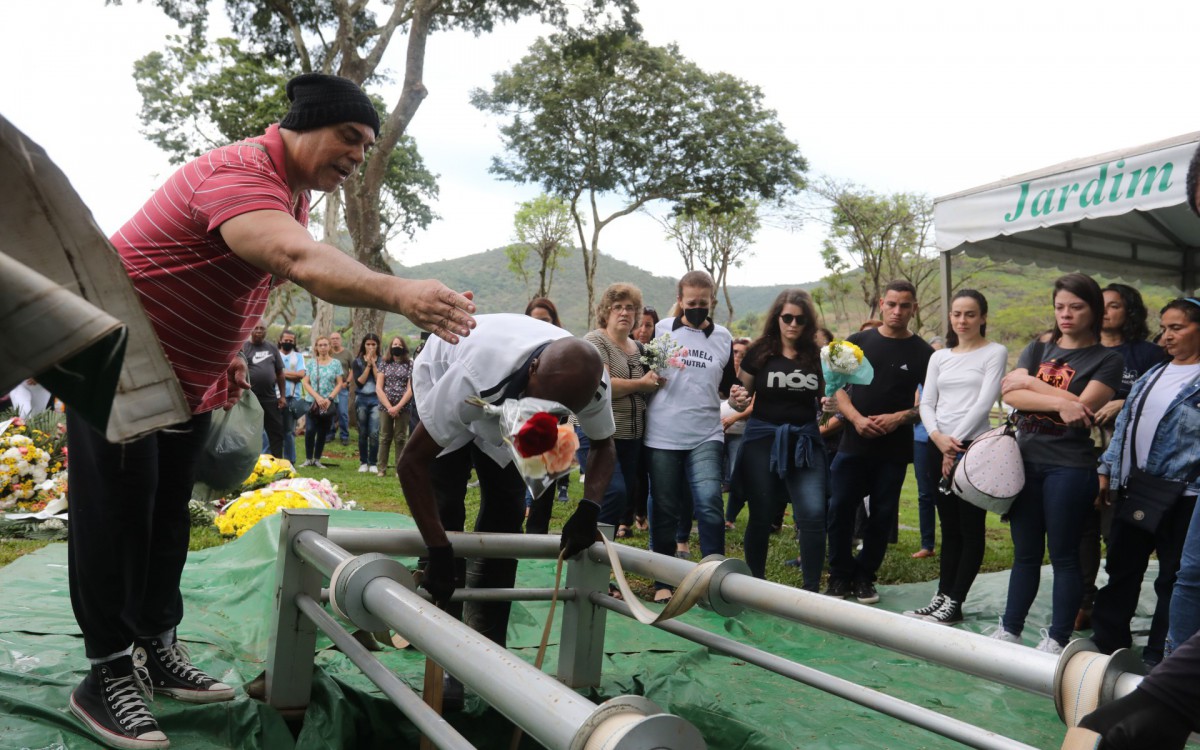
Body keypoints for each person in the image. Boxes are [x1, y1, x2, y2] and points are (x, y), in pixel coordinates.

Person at [65, 72, 476, 749]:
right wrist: (400, 292)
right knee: (115, 519)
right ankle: (105, 673)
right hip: (122, 363)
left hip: (184, 377)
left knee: (165, 515)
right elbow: (292, 258)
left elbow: (244, 273)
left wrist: (226, 352)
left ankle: (155, 643)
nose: (357, 154)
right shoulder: (239, 171)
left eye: (367, 145)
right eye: (349, 137)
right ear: (303, 125)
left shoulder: (292, 191)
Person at [398, 314, 616, 649]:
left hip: (510, 391)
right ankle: (439, 618)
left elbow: (603, 443)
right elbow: (411, 463)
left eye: (555, 413)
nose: (540, 416)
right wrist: (437, 548)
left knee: (508, 510)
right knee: (446, 503)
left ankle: (486, 635)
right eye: (538, 407)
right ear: (533, 370)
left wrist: (589, 507)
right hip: (448, 375)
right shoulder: (471, 374)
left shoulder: (594, 383)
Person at [993, 273, 1122, 654]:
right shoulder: (1036, 349)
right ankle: (1010, 629)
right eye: (1060, 307)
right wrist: (1061, 401)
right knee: (1025, 553)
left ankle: (1056, 638)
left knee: (1065, 556)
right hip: (1024, 463)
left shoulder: (1107, 359)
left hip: (1069, 467)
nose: (1066, 314)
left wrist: (1039, 389)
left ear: (1093, 310)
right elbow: (1011, 394)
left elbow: (1084, 408)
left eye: (1076, 307)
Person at [1091, 298, 1200, 666]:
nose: (1166, 336)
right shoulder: (1154, 372)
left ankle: (1161, 658)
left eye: (1177, 328)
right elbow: (1124, 426)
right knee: (1121, 568)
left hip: (1183, 496)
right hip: (1136, 488)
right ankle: (1107, 644)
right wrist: (1108, 467)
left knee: (1173, 578)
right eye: (1164, 327)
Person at [826, 280, 933, 605]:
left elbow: (930, 403)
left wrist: (899, 418)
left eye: (905, 305)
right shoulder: (857, 341)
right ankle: (840, 575)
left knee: (882, 515)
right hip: (852, 444)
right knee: (839, 508)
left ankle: (865, 577)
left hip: (894, 448)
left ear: (914, 308)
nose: (897, 311)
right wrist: (856, 418)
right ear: (881, 304)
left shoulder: (924, 352)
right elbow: (835, 387)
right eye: (892, 304)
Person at [905, 290, 1007, 624]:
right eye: (956, 314)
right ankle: (942, 596)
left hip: (973, 448)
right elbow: (928, 402)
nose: (962, 320)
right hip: (939, 446)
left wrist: (955, 443)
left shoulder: (995, 352)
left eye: (970, 314)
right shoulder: (939, 357)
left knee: (970, 528)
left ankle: (956, 601)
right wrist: (938, 439)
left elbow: (984, 402)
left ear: (983, 317)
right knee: (948, 528)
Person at [1076, 283, 1169, 630]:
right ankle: (1085, 599)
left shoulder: (1147, 355)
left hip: (1125, 461)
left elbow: (1161, 402)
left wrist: (1122, 400)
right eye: (1101, 305)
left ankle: (1114, 608)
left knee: (1114, 532)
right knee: (1080, 528)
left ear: (1130, 312)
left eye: (1114, 306)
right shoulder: (1084, 350)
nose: (1107, 312)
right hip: (1079, 453)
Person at [643, 271, 737, 602]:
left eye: (703, 303)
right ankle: (663, 580)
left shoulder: (724, 337)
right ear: (680, 300)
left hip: (706, 432)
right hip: (663, 433)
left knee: (710, 501)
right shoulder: (662, 331)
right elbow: (645, 375)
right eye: (690, 302)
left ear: (712, 300)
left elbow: (728, 387)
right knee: (665, 505)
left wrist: (735, 399)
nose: (697, 308)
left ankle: (714, 579)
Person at [728, 290, 826, 589]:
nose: (793, 324)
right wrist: (737, 400)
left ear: (808, 322)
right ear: (777, 318)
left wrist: (830, 405)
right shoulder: (759, 351)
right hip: (762, 440)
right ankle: (756, 585)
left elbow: (826, 397)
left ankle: (811, 590)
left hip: (805, 442)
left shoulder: (817, 356)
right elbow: (739, 399)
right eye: (787, 318)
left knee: (812, 513)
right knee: (761, 514)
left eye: (800, 319)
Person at [584, 284, 661, 539]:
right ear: (606, 312)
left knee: (619, 498)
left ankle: (597, 563)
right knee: (611, 492)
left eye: (630, 308)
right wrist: (643, 384)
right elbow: (602, 384)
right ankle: (585, 551)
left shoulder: (639, 349)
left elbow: (653, 382)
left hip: (631, 436)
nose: (624, 312)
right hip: (599, 435)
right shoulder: (596, 340)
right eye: (617, 307)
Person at [622, 304, 660, 533]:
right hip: (629, 421)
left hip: (654, 421)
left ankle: (642, 514)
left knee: (647, 473)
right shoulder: (624, 352)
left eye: (649, 325)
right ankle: (625, 520)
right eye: (640, 324)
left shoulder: (657, 356)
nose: (643, 330)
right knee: (632, 473)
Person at [910, 335, 946, 559]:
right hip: (921, 440)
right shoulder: (919, 380)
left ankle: (952, 540)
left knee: (948, 492)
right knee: (925, 493)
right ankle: (927, 545)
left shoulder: (951, 380)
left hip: (947, 440)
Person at [243, 321, 288, 458]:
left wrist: (283, 396)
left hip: (270, 398)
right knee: (249, 432)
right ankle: (248, 461)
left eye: (262, 328)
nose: (258, 331)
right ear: (250, 330)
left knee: (276, 431)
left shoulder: (272, 348)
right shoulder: (244, 347)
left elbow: (280, 373)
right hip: (250, 398)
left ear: (266, 331)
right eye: (255, 328)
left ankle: (278, 461)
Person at [300, 336, 345, 469]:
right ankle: (308, 458)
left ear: (329, 347)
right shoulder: (312, 363)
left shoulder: (336, 363)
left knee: (322, 431)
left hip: (328, 403)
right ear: (316, 348)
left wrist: (329, 398)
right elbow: (305, 382)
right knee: (310, 430)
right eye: (320, 345)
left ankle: (317, 458)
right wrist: (317, 397)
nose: (323, 347)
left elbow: (339, 383)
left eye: (326, 345)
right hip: (313, 402)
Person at [722, 337, 753, 529]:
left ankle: (729, 518)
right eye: (735, 352)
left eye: (743, 354)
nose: (738, 356)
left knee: (736, 474)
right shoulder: (722, 372)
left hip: (740, 432)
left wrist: (733, 418)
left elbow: (755, 403)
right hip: (715, 431)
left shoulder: (750, 376)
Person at [376, 336, 413, 477]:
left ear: (403, 347)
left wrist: (398, 407)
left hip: (403, 406)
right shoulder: (384, 363)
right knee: (385, 437)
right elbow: (379, 388)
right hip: (385, 406)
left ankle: (400, 468)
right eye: (394, 344)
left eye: (399, 344)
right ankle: (382, 468)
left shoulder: (410, 364)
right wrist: (389, 407)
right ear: (390, 347)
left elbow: (410, 388)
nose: (396, 346)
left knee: (401, 437)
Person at [351, 333, 383, 473]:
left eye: (373, 344)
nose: (370, 347)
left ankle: (373, 462)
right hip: (362, 398)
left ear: (377, 346)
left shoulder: (382, 361)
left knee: (374, 432)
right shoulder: (357, 361)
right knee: (363, 431)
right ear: (364, 345)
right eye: (368, 344)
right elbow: (359, 382)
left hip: (376, 399)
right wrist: (368, 366)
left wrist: (374, 364)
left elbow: (379, 381)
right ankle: (363, 462)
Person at [278, 329, 306, 464]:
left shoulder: (299, 357)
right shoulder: (275, 355)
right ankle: (273, 459)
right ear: (280, 340)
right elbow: (271, 374)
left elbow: (301, 375)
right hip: (275, 396)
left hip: (292, 398)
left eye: (291, 341)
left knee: (289, 431)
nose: (288, 342)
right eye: (286, 340)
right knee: (273, 430)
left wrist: (281, 373)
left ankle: (290, 462)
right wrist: (291, 375)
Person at [328, 331, 353, 445]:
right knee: (330, 412)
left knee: (343, 412)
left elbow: (352, 369)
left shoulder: (347, 353)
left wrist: (347, 382)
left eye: (337, 338)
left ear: (340, 340)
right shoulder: (328, 353)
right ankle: (330, 433)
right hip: (329, 387)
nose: (335, 340)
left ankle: (344, 435)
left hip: (342, 387)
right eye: (332, 338)